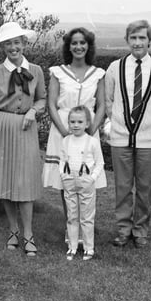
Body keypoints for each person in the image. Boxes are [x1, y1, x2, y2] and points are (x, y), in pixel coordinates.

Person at [104, 20, 151, 248]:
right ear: (127, 40)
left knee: (144, 188)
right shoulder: (115, 67)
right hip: (121, 136)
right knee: (123, 187)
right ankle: (123, 229)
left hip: (149, 138)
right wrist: (117, 123)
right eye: (133, 38)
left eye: (142, 38)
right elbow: (108, 100)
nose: (137, 42)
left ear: (149, 40)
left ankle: (141, 230)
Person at [0, 22, 46, 257]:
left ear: (24, 43)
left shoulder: (36, 70)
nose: (13, 47)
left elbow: (42, 100)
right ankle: (13, 229)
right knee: (7, 181)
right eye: (8, 43)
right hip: (2, 127)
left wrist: (33, 112)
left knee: (25, 182)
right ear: (2, 47)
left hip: (26, 129)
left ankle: (28, 233)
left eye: (16, 42)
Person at [42, 27, 107, 243]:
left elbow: (102, 105)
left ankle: (85, 225)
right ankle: (71, 226)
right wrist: (64, 131)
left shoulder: (98, 74)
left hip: (88, 131)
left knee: (86, 179)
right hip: (63, 129)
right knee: (67, 179)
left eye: (82, 43)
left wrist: (91, 131)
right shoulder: (58, 72)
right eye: (74, 43)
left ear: (88, 46)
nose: (78, 47)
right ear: (68, 47)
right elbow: (51, 104)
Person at [59, 106, 105, 261]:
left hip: (86, 182)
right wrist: (63, 176)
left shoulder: (92, 142)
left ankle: (88, 247)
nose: (75, 125)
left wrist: (92, 178)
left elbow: (100, 163)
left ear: (87, 123)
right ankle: (72, 246)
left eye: (80, 121)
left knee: (86, 216)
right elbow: (62, 161)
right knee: (72, 215)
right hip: (69, 182)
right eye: (72, 122)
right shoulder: (65, 141)